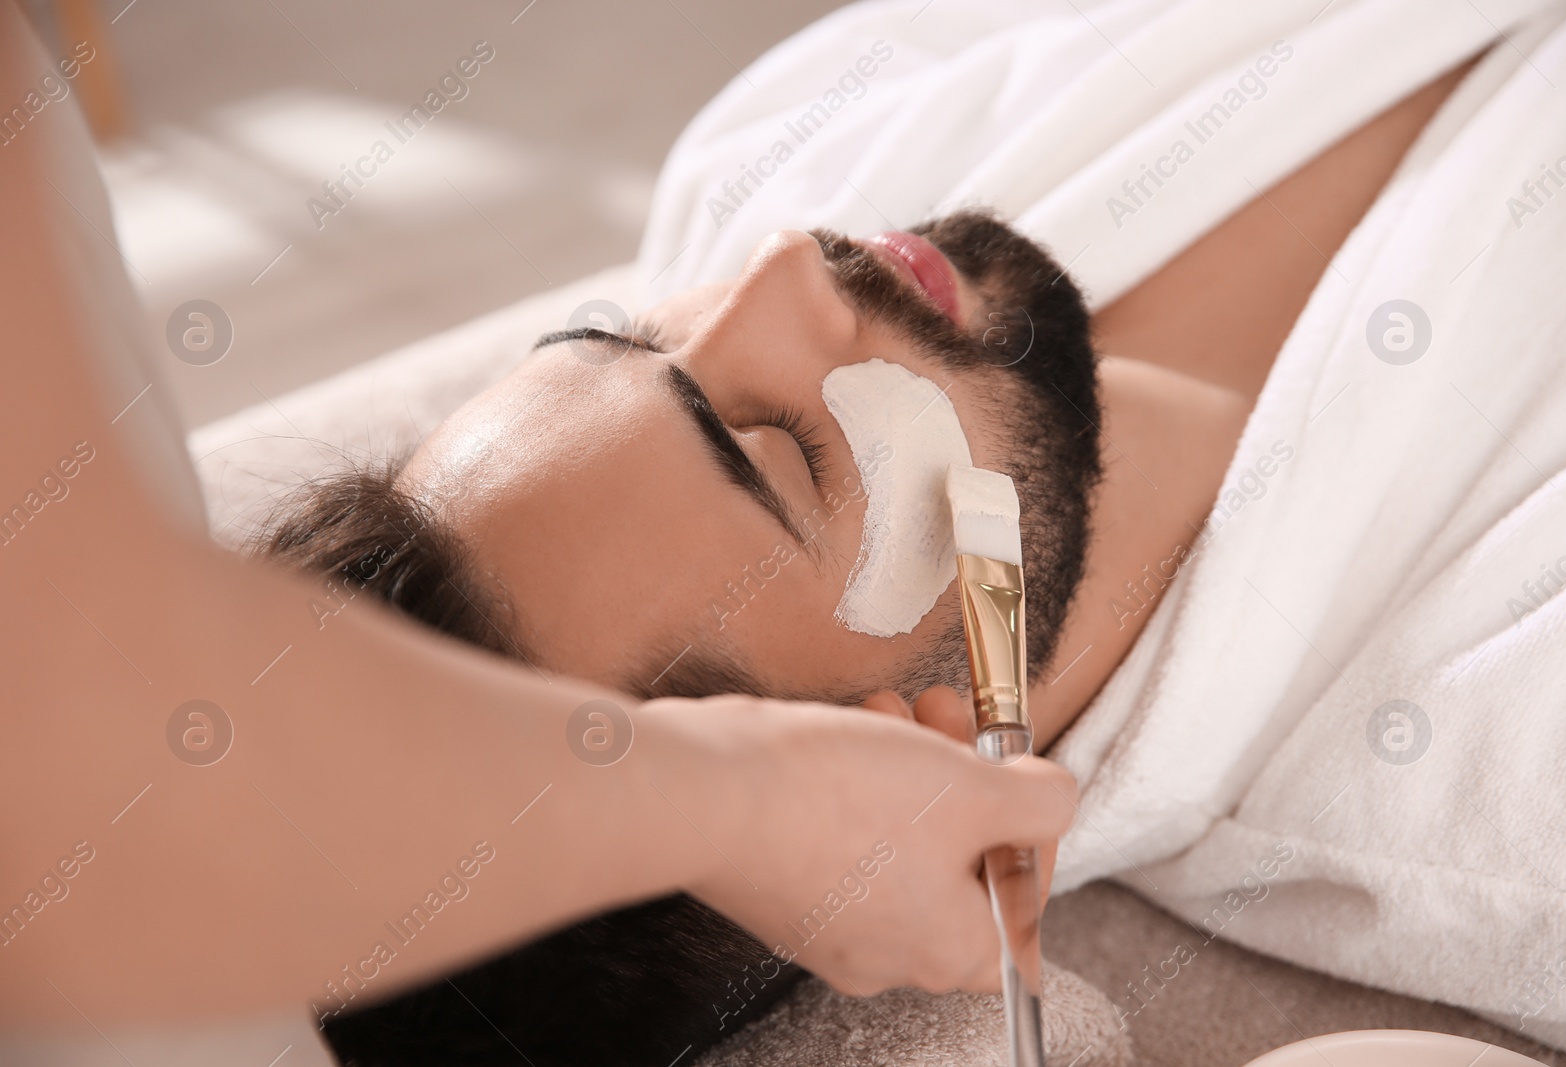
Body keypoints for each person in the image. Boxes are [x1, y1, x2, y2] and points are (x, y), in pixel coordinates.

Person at [0, 0, 1078, 1039]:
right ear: (908, 752)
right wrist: (745, 800)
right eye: (776, 449)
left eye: (635, 335)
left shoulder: (808, 125)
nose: (784, 252)